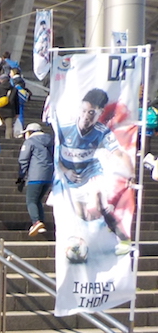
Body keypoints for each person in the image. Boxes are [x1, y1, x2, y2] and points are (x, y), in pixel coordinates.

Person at [55, 88, 136, 253]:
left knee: (100, 203)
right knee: (82, 215)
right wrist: (66, 171)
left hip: (92, 173)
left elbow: (120, 153)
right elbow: (56, 157)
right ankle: (99, 224)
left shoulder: (102, 131)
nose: (86, 116)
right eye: (84, 111)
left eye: (91, 113)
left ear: (99, 113)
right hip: (72, 178)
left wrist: (132, 173)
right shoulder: (65, 127)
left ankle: (124, 240)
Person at [16, 122, 54, 236]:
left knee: (31, 200)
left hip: (35, 176)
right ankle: (41, 223)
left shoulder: (30, 142)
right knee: (38, 200)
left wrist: (21, 177)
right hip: (48, 176)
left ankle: (36, 222)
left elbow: (23, 160)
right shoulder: (50, 141)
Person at [0, 70, 17, 138]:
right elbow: (16, 102)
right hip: (10, 111)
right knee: (9, 127)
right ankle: (8, 140)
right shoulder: (13, 89)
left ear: (1, 80)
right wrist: (17, 112)